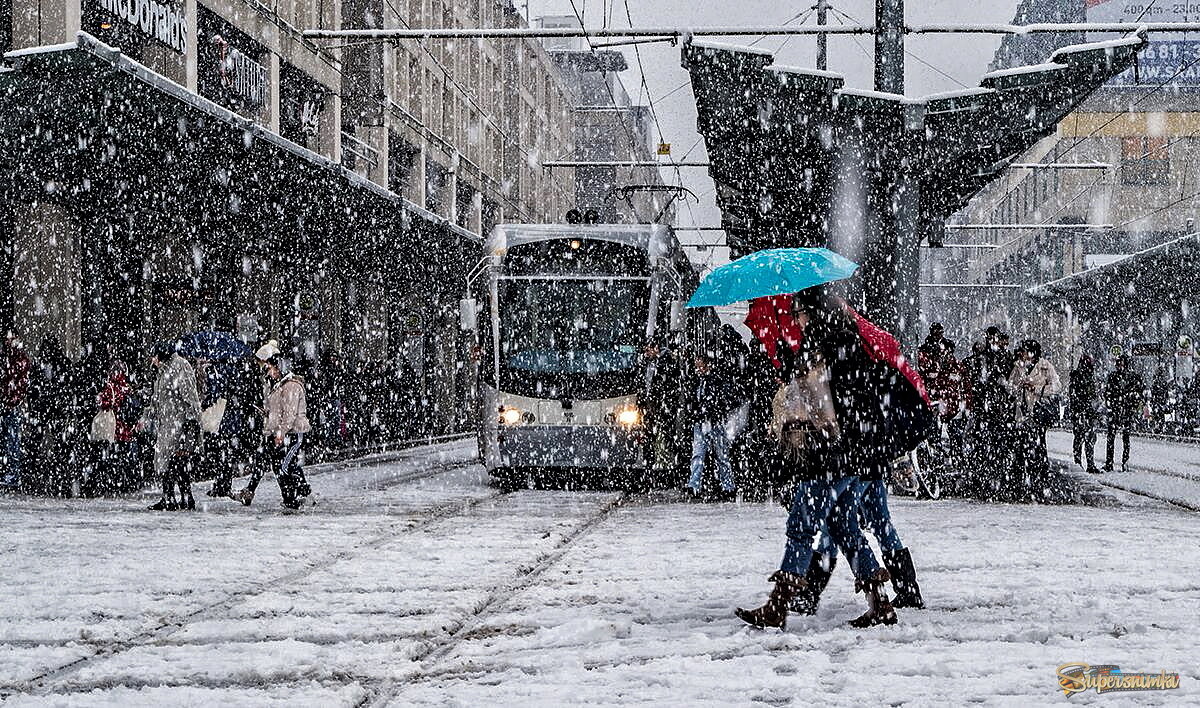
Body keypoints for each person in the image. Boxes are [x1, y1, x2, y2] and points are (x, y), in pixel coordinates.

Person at [736, 288, 933, 630]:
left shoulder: (820, 347)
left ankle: (778, 605)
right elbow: (854, 400)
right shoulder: (851, 342)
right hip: (856, 456)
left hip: (828, 454)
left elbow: (818, 401)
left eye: (798, 313)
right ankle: (880, 603)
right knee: (846, 527)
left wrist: (793, 362)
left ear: (810, 314)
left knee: (801, 525)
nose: (796, 320)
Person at [235, 342, 313, 510]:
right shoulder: (277, 386)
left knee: (284, 466)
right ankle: (292, 497)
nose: (268, 372)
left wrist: (281, 433)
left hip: (291, 433)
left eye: (269, 368)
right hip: (278, 431)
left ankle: (300, 494)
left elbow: (289, 414)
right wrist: (265, 413)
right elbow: (277, 411)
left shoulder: (290, 385)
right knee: (279, 465)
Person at [141, 341, 202, 511]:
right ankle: (177, 497)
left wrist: (190, 426)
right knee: (172, 462)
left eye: (154, 356)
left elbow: (190, 398)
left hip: (178, 424)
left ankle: (176, 498)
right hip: (168, 424)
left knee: (175, 461)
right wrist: (148, 416)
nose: (152, 360)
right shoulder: (164, 371)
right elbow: (158, 398)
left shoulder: (179, 367)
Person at [1007, 340, 1062, 492]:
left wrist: (1037, 389)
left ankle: (1039, 483)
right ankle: (1020, 483)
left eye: (1026, 351)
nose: (1023, 354)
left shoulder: (1045, 366)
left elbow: (1057, 386)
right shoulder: (1019, 366)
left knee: (1038, 449)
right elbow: (1010, 387)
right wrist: (1017, 387)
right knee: (1021, 450)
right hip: (1022, 414)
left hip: (1037, 414)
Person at [684, 353, 738, 501]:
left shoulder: (716, 380)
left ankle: (725, 486)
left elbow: (725, 399)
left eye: (700, 366)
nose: (698, 369)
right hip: (703, 421)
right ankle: (697, 485)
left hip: (713, 421)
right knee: (701, 454)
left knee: (719, 455)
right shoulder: (699, 381)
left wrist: (711, 410)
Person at [641, 337, 683, 478]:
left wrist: (662, 400)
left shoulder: (666, 361)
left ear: (656, 348)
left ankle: (674, 469)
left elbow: (669, 384)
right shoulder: (649, 362)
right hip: (652, 405)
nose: (646, 353)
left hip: (662, 405)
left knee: (667, 435)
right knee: (650, 437)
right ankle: (649, 468)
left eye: (648, 350)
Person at [1, 333, 32, 490]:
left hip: (12, 405)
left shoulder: (16, 358)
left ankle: (13, 472)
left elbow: (19, 382)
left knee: (12, 440)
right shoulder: (11, 357)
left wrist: (12, 400)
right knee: (10, 439)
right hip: (9, 403)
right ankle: (11, 471)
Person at [1104, 356, 1143, 473]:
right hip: (1118, 410)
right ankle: (1110, 463)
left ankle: (1124, 463)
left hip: (1125, 411)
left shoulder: (1131, 377)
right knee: (1112, 437)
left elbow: (1138, 392)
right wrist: (1111, 404)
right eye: (1119, 364)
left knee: (1124, 438)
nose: (1120, 367)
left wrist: (1131, 404)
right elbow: (1107, 392)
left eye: (1122, 364)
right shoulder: (1115, 377)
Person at [1068, 355, 1100, 474]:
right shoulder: (1077, 376)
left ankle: (1088, 464)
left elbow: (1093, 395)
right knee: (1080, 438)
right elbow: (1074, 396)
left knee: (1088, 438)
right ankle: (1079, 464)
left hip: (1087, 412)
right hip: (1081, 411)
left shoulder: (1088, 377)